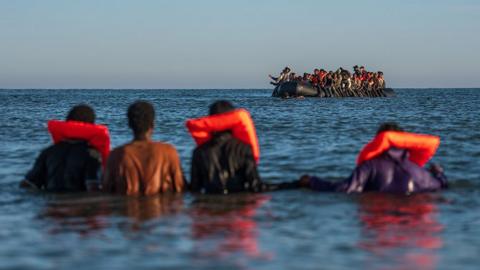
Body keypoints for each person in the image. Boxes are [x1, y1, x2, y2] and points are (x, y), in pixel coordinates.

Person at [299, 122, 448, 194]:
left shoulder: (370, 167)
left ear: (377, 142)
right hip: (409, 216)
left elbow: (345, 188)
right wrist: (439, 173)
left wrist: (312, 181)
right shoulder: (420, 173)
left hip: (379, 212)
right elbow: (441, 185)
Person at [187, 100, 299, 194]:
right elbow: (256, 187)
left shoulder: (199, 152)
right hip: (238, 208)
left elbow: (194, 189)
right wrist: (296, 184)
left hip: (209, 210)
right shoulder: (244, 148)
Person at [103, 101, 185, 195]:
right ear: (153, 124)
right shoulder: (168, 151)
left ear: (129, 124)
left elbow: (107, 189)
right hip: (160, 207)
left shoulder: (116, 155)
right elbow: (179, 187)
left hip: (129, 207)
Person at [20, 104, 109, 192]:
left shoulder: (48, 152)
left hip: (53, 203)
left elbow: (27, 184)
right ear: (91, 126)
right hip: (77, 203)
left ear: (67, 122)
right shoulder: (92, 154)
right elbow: (93, 187)